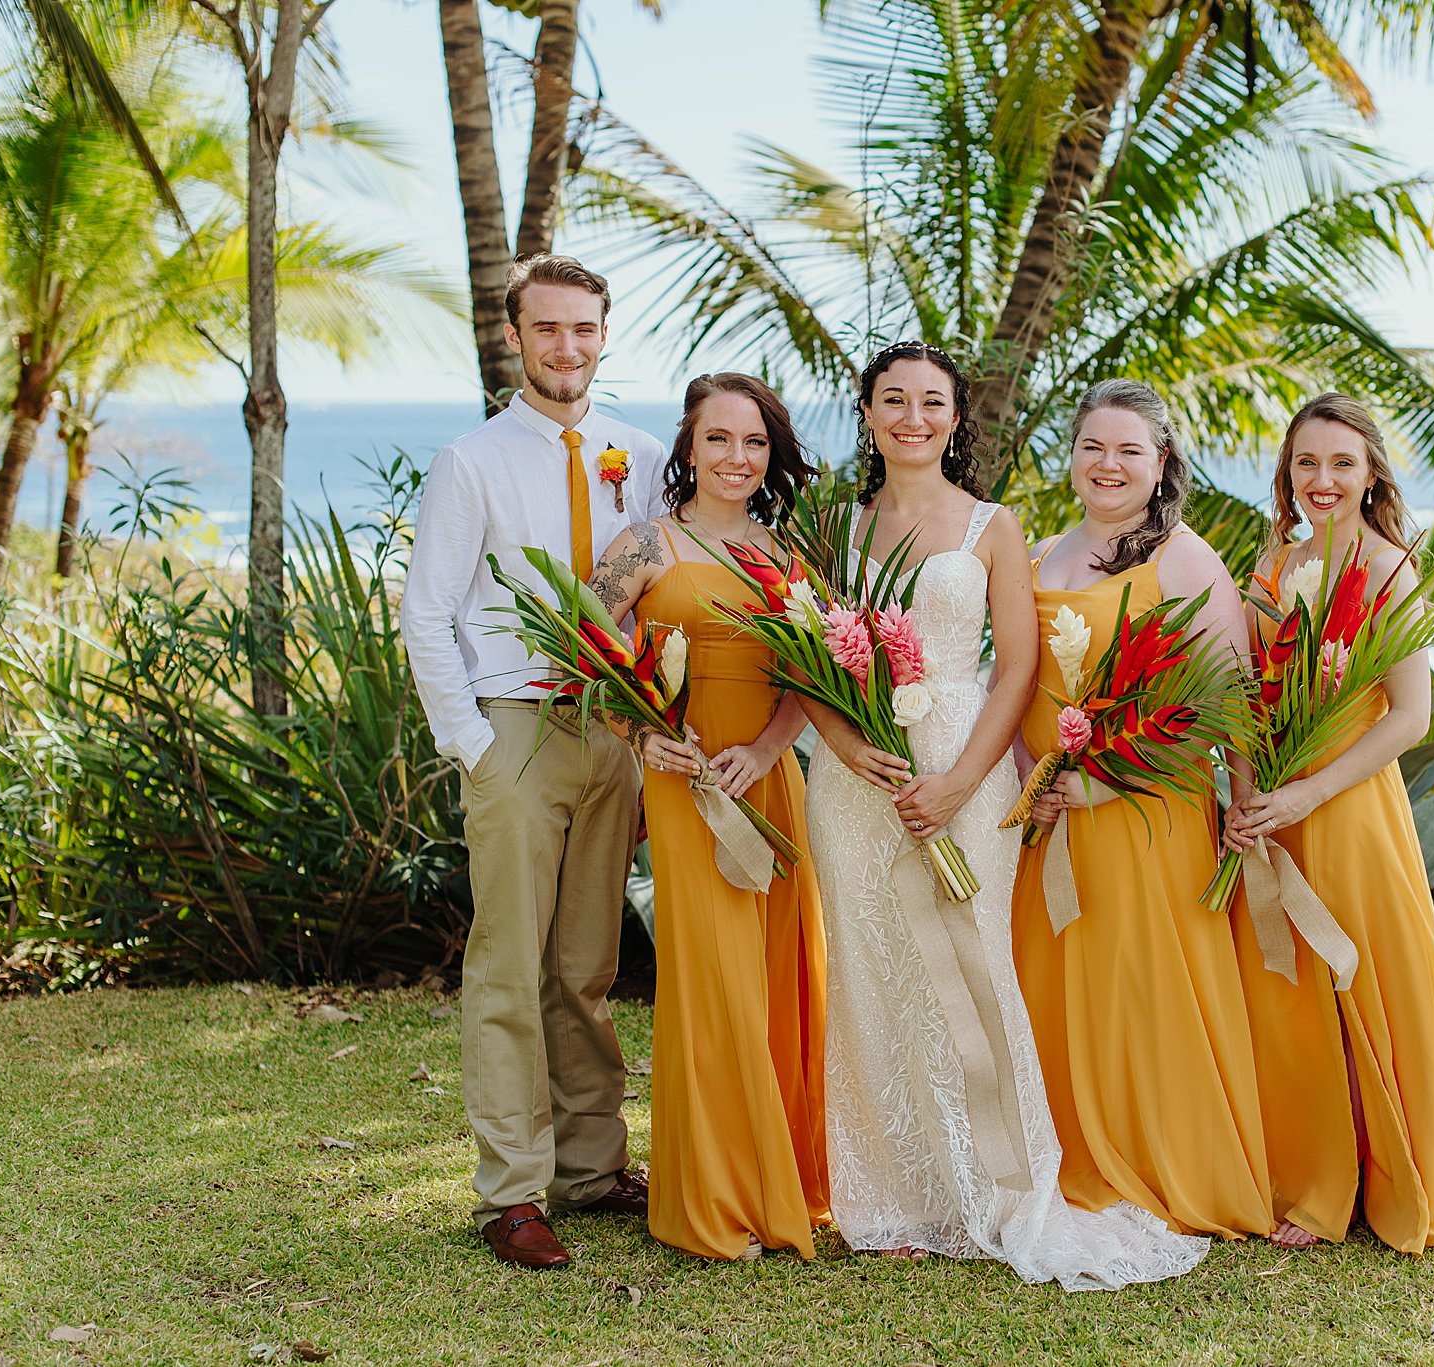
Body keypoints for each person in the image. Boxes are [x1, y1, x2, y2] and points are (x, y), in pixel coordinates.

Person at [800, 342, 1208, 1289]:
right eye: (892, 399)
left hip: (963, 765)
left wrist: (958, 780)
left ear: (954, 418)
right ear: (866, 413)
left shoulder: (993, 524)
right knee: (870, 966)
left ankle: (1000, 1183)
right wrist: (846, 744)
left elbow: (1017, 666)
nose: (912, 416)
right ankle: (892, 1196)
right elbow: (810, 658)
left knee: (975, 966)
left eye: (931, 401)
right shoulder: (834, 526)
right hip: (857, 779)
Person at [402, 254, 664, 1269]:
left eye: (582, 329)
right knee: (508, 967)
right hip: (515, 726)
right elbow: (427, 614)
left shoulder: (640, 455)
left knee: (587, 966)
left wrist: (650, 727)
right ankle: (511, 1192)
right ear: (514, 337)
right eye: (545, 329)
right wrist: (475, 747)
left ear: (605, 334)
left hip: (617, 730)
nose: (565, 347)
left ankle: (592, 1169)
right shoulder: (471, 461)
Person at [1010, 379, 1274, 1240]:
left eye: (1130, 450)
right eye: (1094, 446)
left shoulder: (1185, 560)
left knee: (1142, 991)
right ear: (1073, 455)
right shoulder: (1043, 553)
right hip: (1051, 815)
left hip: (1144, 815)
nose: (1109, 464)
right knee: (1056, 984)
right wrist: (1033, 774)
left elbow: (1222, 700)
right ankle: (1067, 1150)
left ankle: (1160, 1159)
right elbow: (1020, 683)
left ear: (1162, 463)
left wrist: (1114, 782)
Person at [1225, 391, 1434, 1254]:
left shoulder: (1388, 566)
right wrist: (1248, 793)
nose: (1322, 479)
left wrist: (1308, 793)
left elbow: (1408, 716)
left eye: (1341, 463)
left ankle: (1396, 1176)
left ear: (1371, 472)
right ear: (1287, 476)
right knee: (1291, 993)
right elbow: (1246, 696)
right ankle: (1318, 1179)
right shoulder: (1272, 565)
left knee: (1365, 980)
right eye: (1306, 463)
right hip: (1275, 811)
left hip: (1349, 808)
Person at [585, 373, 828, 1262]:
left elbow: (815, 682)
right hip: (684, 785)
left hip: (764, 783)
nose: (737, 456)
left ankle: (782, 1184)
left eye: (755, 442)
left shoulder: (787, 557)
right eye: (719, 439)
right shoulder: (645, 543)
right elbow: (583, 645)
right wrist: (642, 732)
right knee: (710, 978)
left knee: (775, 975)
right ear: (688, 448)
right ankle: (715, 1196)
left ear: (771, 456)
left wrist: (767, 751)